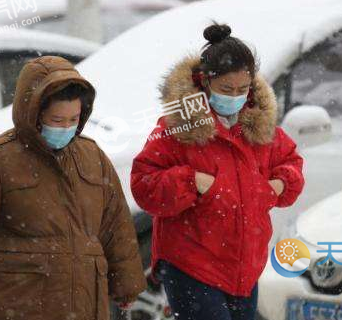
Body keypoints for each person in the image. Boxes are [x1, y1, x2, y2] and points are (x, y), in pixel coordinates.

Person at [0, 56, 146, 320]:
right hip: (18, 302)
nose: (67, 128)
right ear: (33, 113)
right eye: (57, 120)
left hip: (83, 305)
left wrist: (127, 284)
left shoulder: (93, 158)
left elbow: (116, 226)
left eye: (74, 119)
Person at [130, 23, 305, 320]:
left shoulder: (259, 127)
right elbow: (144, 183)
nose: (234, 96)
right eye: (226, 89)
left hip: (245, 267)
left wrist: (278, 184)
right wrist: (190, 182)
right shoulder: (179, 126)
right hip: (191, 264)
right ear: (205, 82)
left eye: (242, 89)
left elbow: (291, 164)